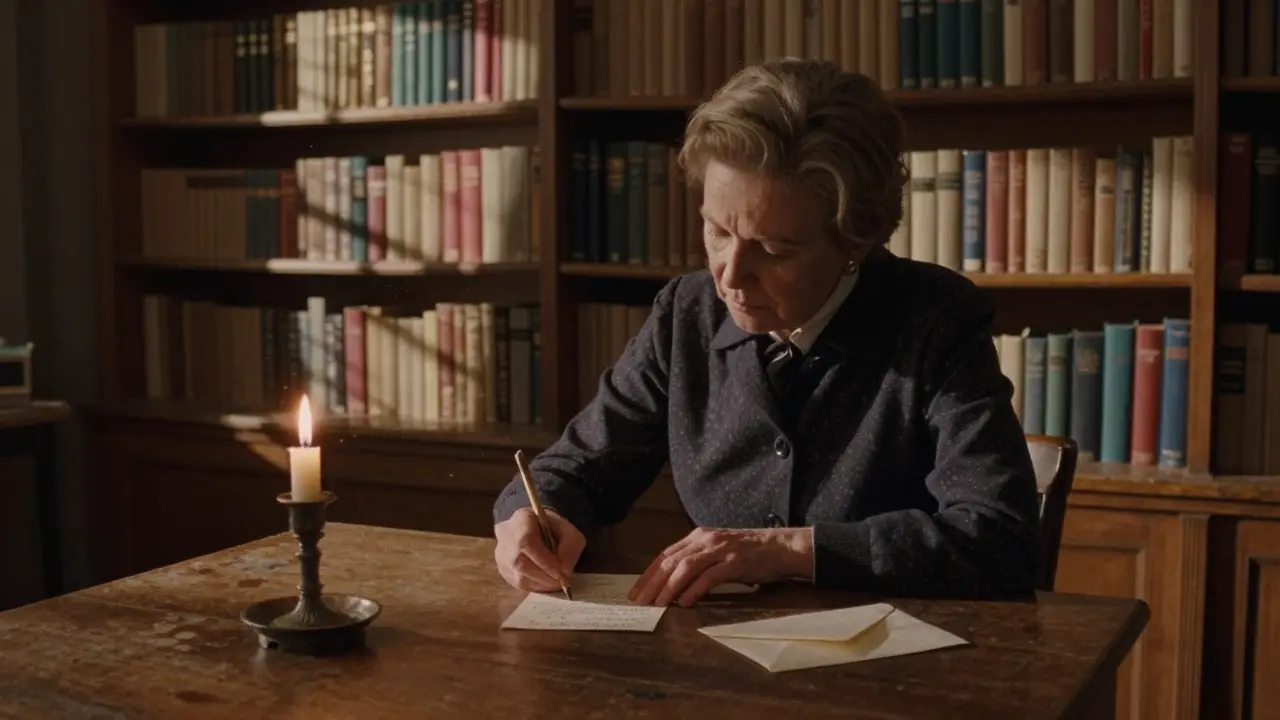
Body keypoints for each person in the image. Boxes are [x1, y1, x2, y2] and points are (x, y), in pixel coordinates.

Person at [492, 58, 1042, 607]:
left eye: (774, 250)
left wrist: (786, 549)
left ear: (856, 241)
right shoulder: (687, 312)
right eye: (717, 230)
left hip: (892, 673)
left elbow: (998, 540)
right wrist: (536, 517)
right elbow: (580, 466)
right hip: (720, 667)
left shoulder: (935, 319)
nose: (730, 276)